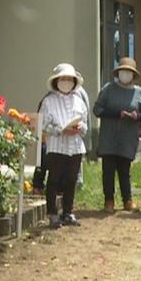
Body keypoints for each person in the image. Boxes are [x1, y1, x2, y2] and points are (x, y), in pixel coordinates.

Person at [94, 57, 141, 212]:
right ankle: (109, 200)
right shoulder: (108, 89)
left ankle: (128, 200)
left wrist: (136, 116)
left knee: (125, 171)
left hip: (127, 137)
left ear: (133, 75)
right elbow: (97, 110)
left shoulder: (138, 92)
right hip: (109, 137)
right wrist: (117, 113)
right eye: (123, 71)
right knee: (108, 171)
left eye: (129, 72)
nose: (126, 74)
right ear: (118, 73)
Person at [40, 63, 89, 227]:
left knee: (71, 180)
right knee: (53, 180)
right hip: (56, 146)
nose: (66, 82)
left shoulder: (79, 102)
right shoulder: (48, 101)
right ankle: (52, 213)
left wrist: (80, 128)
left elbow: (86, 125)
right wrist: (61, 130)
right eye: (63, 79)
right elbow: (44, 125)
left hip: (75, 147)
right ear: (56, 81)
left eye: (70, 79)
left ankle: (67, 212)